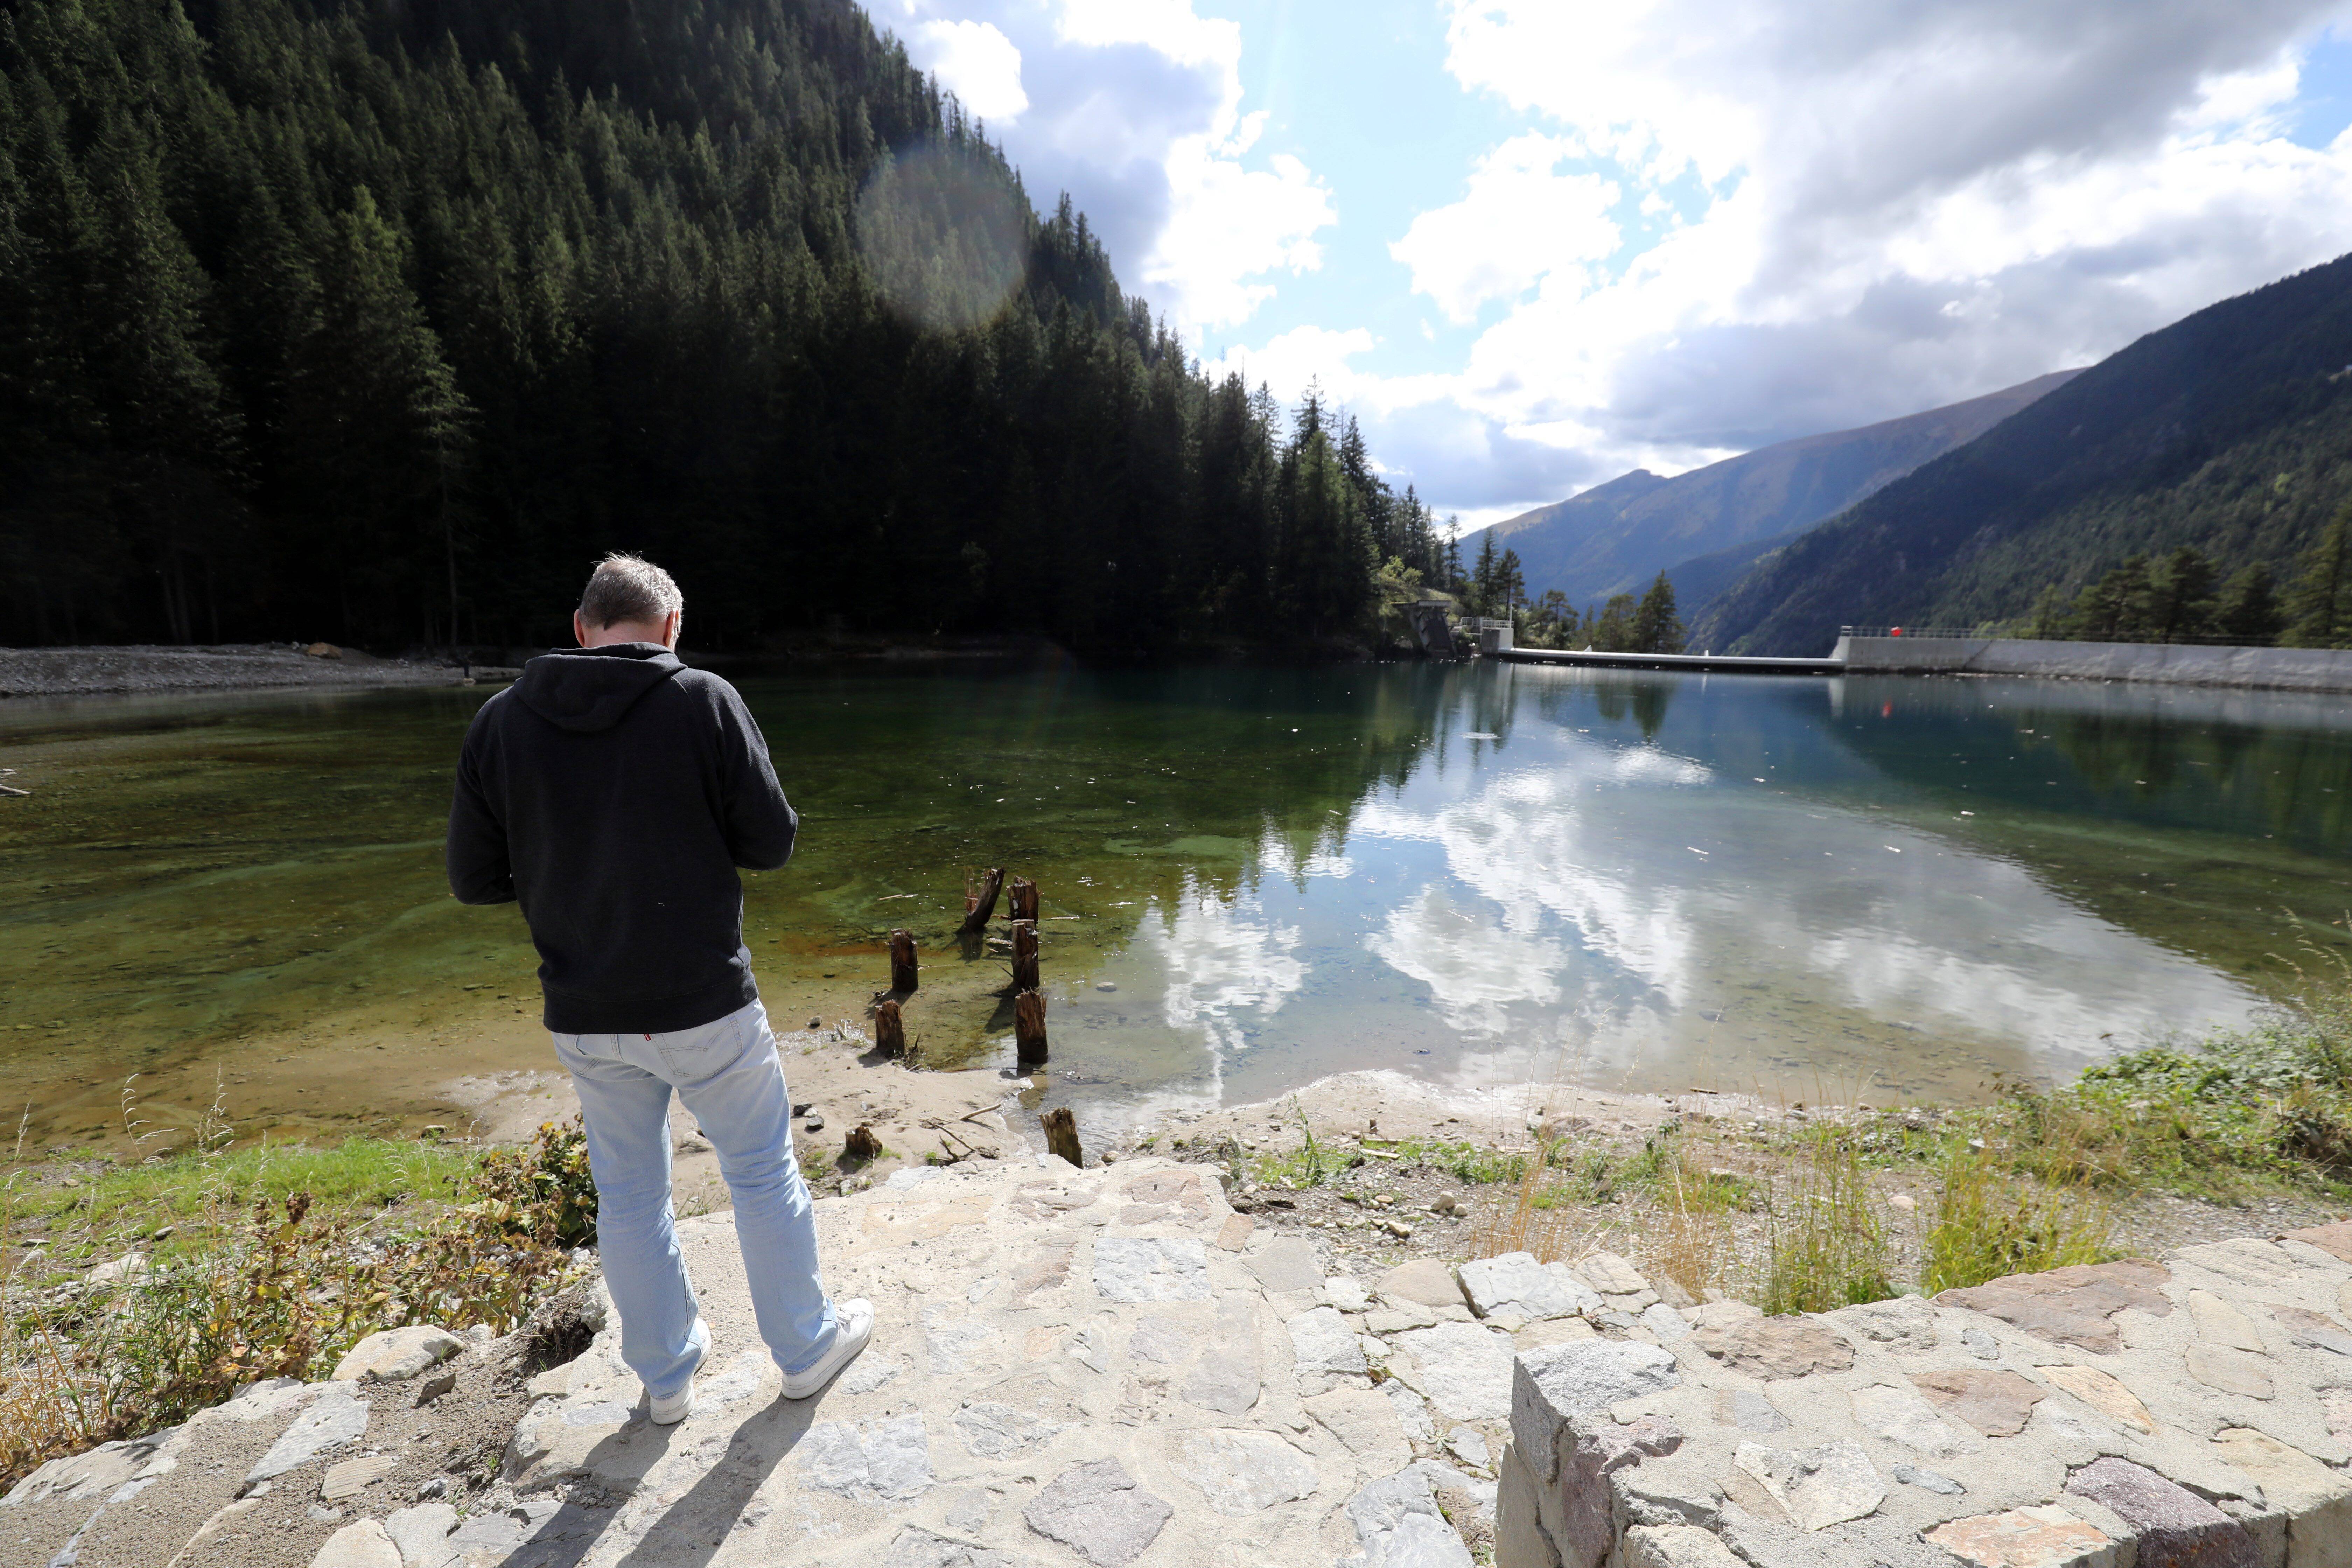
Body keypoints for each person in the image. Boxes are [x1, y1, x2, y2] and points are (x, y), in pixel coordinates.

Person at [445, 552, 871, 1422]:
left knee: (631, 1192)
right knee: (758, 1170)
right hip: (704, 999)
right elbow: (772, 842)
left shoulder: (500, 722)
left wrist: (563, 863)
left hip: (586, 1008)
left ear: (581, 627)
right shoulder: (701, 698)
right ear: (671, 628)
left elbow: (474, 878)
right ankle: (802, 1348)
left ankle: (667, 1378)